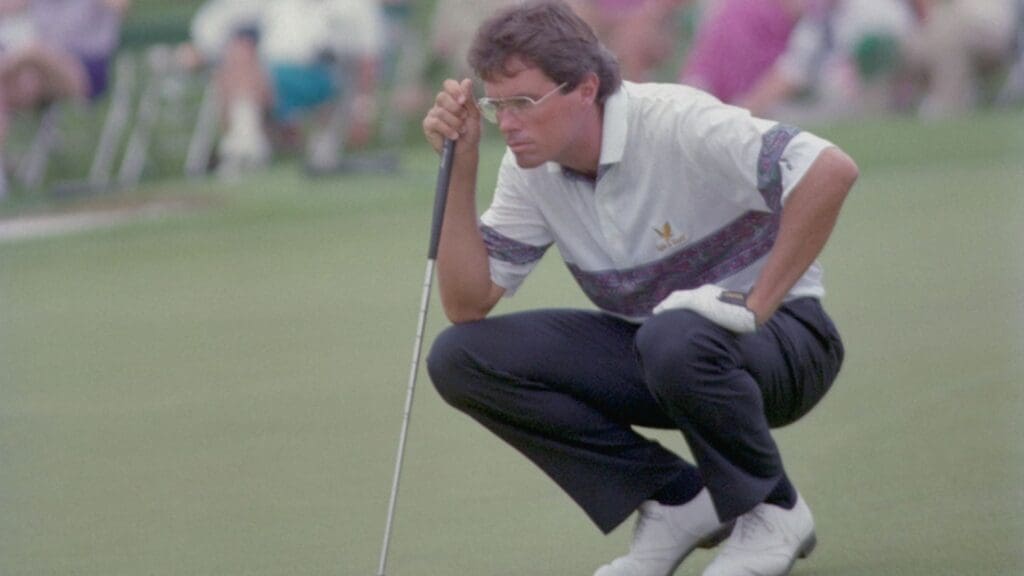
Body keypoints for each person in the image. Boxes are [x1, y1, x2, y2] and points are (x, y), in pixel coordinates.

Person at [421, 2, 858, 576]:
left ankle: (774, 511)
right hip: (664, 352)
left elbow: (829, 168)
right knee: (462, 358)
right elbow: (466, 302)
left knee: (674, 335)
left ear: (584, 88)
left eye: (523, 102)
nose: (507, 122)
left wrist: (753, 306)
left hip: (783, 342)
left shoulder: (676, 120)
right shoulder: (530, 170)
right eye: (496, 104)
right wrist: (462, 164)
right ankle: (679, 499)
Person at [180, 0, 384, 176]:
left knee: (239, 62)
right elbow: (219, 18)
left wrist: (361, 112)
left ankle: (244, 146)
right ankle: (246, 143)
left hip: (322, 80)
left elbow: (368, 62)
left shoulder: (357, 5)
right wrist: (200, 49)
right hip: (269, 78)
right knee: (237, 57)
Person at [0, 0, 129, 196]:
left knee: (32, 52)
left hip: (86, 70)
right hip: (39, 74)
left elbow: (120, 7)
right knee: (6, 87)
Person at [739, 0, 915, 121]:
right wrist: (744, 111)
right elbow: (790, 72)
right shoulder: (819, 19)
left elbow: (905, 53)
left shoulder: (878, 10)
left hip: (880, 102)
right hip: (827, 106)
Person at [901, 0, 1019, 118]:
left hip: (991, 22)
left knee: (951, 30)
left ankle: (947, 104)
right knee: (921, 42)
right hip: (942, 24)